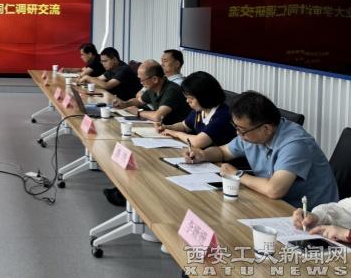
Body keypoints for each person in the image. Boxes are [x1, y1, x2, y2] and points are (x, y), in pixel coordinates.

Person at [185, 91, 338, 208]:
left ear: (266, 128)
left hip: (311, 215)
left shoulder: (295, 144)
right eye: (236, 127)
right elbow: (223, 152)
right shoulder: (252, 134)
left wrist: (237, 174)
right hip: (272, 203)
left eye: (242, 130)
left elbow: (274, 190)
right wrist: (203, 154)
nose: (238, 134)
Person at [157, 71, 235, 148]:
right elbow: (184, 126)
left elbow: (198, 142)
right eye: (186, 97)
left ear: (204, 96)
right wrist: (166, 127)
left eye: (190, 98)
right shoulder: (201, 110)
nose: (187, 101)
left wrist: (175, 133)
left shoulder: (223, 115)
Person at [111, 60, 189, 125]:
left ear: (155, 79)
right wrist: (124, 104)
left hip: (176, 132)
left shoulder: (172, 90)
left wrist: (138, 112)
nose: (141, 83)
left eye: (142, 80)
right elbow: (139, 101)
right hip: (162, 128)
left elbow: (158, 116)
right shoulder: (153, 88)